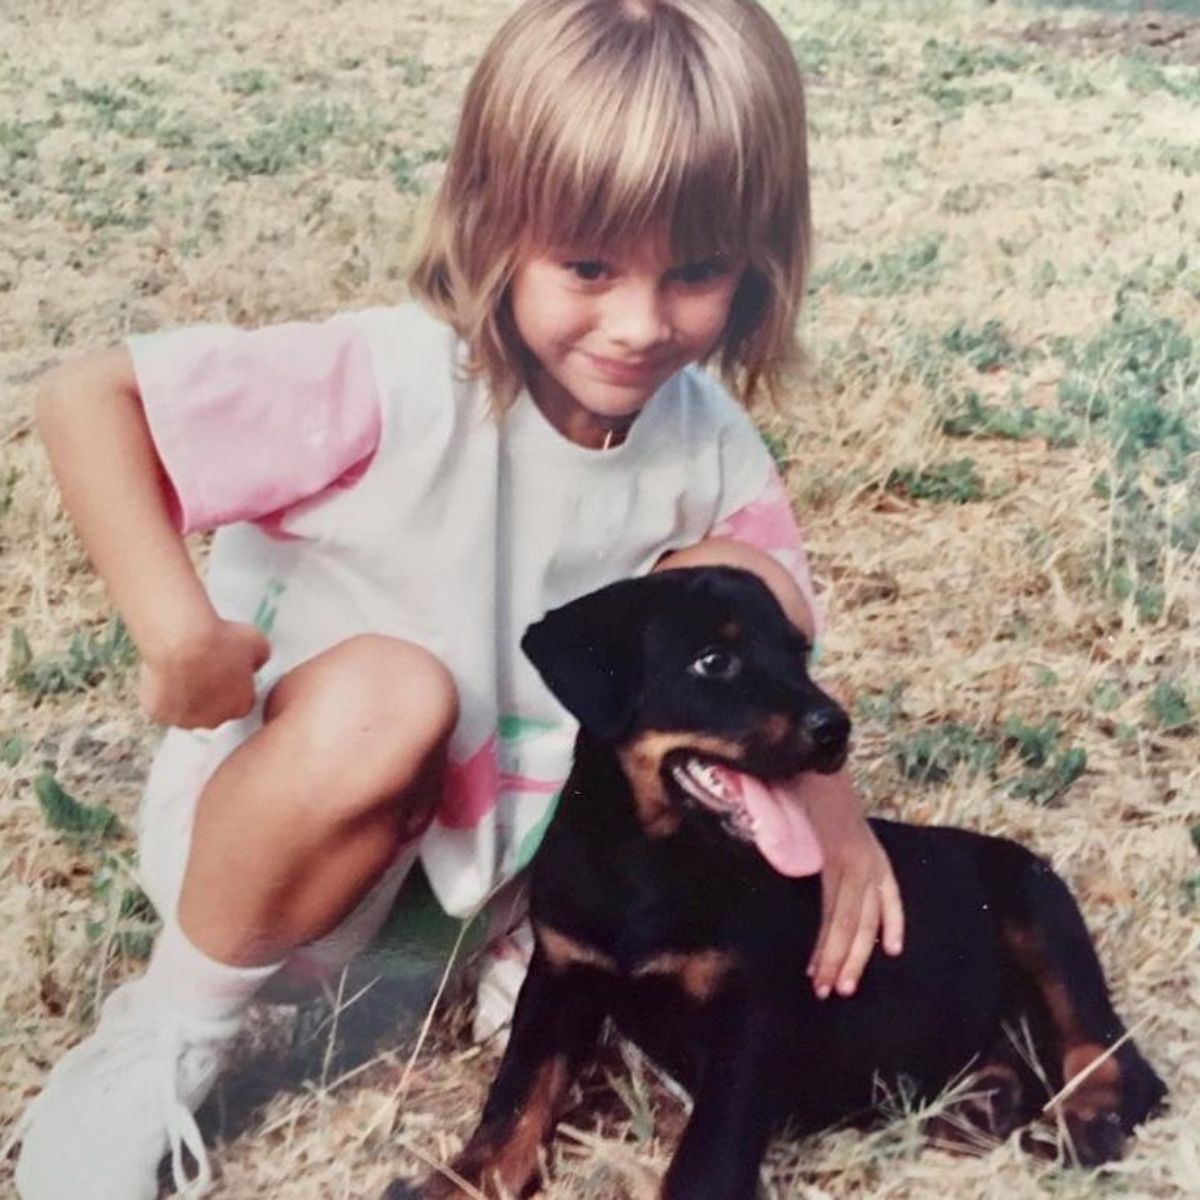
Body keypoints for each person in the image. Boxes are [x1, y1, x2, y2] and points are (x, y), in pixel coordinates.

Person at [13, 1, 904, 1196]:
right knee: (397, 693)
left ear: (761, 258)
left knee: (731, 592)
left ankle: (509, 953)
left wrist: (831, 816)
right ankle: (164, 1026)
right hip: (290, 863)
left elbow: (770, 642)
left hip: (498, 889)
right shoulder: (393, 377)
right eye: (588, 266)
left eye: (695, 271)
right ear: (493, 223)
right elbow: (87, 398)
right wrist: (177, 635)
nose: (640, 323)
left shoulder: (709, 445)